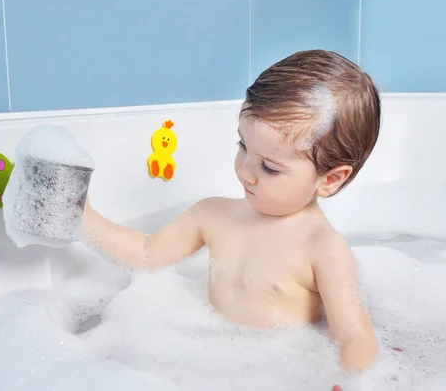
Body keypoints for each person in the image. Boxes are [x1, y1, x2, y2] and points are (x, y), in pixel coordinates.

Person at [82, 49, 381, 372]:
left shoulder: (323, 249)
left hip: (281, 371)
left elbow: (353, 337)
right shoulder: (212, 215)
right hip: (201, 356)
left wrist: (348, 381)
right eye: (243, 147)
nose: (244, 171)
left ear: (330, 179)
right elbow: (145, 253)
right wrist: (80, 215)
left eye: (269, 167)